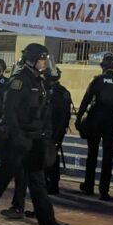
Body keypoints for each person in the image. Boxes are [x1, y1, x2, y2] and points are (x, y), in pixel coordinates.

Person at [0, 42, 67, 225]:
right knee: (3, 179)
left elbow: (43, 111)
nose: (45, 63)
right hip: (15, 141)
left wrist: (45, 135)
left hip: (33, 139)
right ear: (32, 60)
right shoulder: (19, 80)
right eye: (42, 59)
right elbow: (9, 111)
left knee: (38, 182)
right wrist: (18, 137)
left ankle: (47, 222)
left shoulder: (39, 81)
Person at [76, 52, 113, 201]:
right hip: (112, 122)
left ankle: (88, 186)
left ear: (103, 66)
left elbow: (86, 100)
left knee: (92, 155)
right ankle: (104, 191)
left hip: (96, 120)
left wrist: (79, 117)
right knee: (108, 158)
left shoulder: (98, 80)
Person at [45, 66, 72, 195]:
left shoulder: (48, 91)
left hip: (49, 129)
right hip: (59, 130)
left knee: (47, 157)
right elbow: (67, 115)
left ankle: (49, 184)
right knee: (53, 156)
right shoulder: (64, 92)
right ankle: (53, 184)